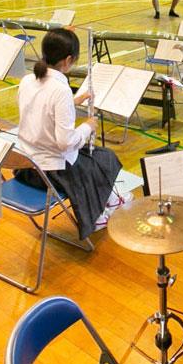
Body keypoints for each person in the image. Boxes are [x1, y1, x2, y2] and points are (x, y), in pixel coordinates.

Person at [15, 28, 125, 237]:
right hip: (50, 172)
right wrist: (88, 126)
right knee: (105, 158)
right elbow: (65, 142)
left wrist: (73, 102)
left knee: (94, 158)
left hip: (26, 164)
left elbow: (41, 109)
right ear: (67, 60)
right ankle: (96, 217)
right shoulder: (60, 90)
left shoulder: (27, 80)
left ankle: (110, 200)